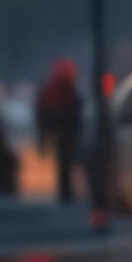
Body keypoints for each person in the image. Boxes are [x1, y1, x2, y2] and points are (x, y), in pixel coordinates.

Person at [35, 59, 84, 203]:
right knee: (66, 163)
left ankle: (65, 191)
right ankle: (66, 191)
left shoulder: (51, 90)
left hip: (60, 130)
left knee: (64, 163)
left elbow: (42, 113)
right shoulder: (67, 90)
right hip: (67, 130)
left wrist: (43, 137)